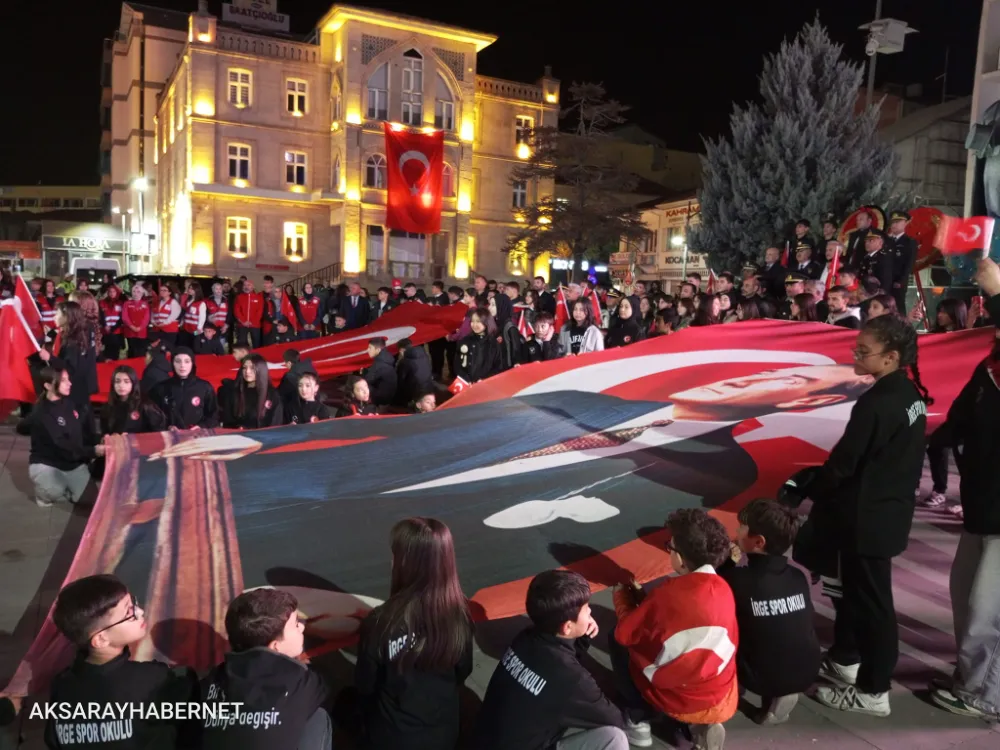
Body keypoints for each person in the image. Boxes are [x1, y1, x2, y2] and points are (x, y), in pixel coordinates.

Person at [804, 316, 931, 716]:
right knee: (862, 599)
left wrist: (809, 489)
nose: (855, 355)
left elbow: (844, 463)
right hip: (885, 512)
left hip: (868, 519)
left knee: (873, 605)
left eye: (864, 351)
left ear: (891, 357)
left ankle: (874, 690)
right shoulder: (906, 393)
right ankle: (847, 660)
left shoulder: (878, 403)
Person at [928, 259, 1000, 719]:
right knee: (964, 595)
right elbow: (955, 423)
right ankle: (970, 677)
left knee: (986, 609)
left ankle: (985, 695)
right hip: (981, 503)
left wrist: (996, 288)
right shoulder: (988, 370)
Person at [610, 509, 737, 749]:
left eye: (670, 546)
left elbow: (626, 632)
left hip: (677, 693)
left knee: (617, 640)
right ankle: (693, 727)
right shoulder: (723, 588)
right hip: (719, 688)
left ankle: (638, 718)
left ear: (680, 558)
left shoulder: (667, 594)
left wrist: (622, 599)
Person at [474, 570, 627, 750]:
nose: (590, 611)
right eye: (586, 609)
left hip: (486, 741)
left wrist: (581, 633)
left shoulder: (525, 638)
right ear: (567, 627)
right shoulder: (571, 678)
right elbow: (615, 719)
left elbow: (562, 655)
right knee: (614, 738)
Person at [355, 518, 473, 750]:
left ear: (406, 563)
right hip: (443, 733)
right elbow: (463, 670)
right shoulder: (460, 615)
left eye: (395, 554)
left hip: (392, 736)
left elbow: (365, 684)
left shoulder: (381, 622)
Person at [46, 574, 198, 749]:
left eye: (133, 603)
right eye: (129, 612)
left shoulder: (62, 685)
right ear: (101, 639)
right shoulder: (152, 679)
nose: (140, 612)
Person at [717, 499, 820, 725]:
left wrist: (726, 564)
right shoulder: (797, 576)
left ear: (758, 541)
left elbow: (716, 586)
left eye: (741, 527)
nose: (736, 531)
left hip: (760, 676)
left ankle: (713, 710)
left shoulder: (737, 580)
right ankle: (782, 692)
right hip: (809, 668)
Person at [200, 588, 332, 750]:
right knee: (317, 718)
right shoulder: (301, 682)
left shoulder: (212, 680)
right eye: (296, 625)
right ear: (275, 646)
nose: (302, 628)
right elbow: (321, 686)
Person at [24, 367, 104, 508]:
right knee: (53, 492)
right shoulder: (42, 412)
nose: (69, 383)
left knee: (90, 499)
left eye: (68, 379)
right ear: (48, 386)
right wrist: (93, 451)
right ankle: (45, 492)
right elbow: (61, 444)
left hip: (72, 463)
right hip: (49, 463)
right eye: (63, 380)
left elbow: (79, 435)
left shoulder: (68, 403)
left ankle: (67, 486)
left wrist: (101, 439)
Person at [34, 301, 98, 413]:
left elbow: (70, 368)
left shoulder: (72, 340)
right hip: (80, 388)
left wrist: (49, 358)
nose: (54, 317)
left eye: (57, 314)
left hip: (74, 391)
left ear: (66, 317)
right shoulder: (76, 333)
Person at [150, 347, 219, 430]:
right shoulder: (161, 388)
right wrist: (167, 427)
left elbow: (214, 414)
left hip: (198, 437)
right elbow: (153, 416)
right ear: (172, 363)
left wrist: (202, 426)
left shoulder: (204, 387)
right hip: (170, 437)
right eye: (178, 361)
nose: (182, 365)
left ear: (192, 363)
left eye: (187, 361)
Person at [220, 354, 283, 429]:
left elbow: (276, 424)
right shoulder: (233, 392)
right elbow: (227, 422)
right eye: (244, 368)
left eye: (252, 368)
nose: (247, 371)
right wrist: (237, 428)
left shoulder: (272, 395)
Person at [100, 365, 167, 436]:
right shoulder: (107, 407)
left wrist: (132, 439)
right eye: (117, 381)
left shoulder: (145, 405)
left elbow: (159, 432)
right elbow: (105, 433)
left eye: (126, 382)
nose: (121, 385)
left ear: (133, 384)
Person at [454, 307, 503, 383]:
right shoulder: (465, 341)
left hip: (486, 385)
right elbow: (457, 364)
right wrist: (465, 378)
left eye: (478, 321)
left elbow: (498, 367)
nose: (474, 324)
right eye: (472, 321)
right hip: (466, 385)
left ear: (486, 322)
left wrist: (484, 379)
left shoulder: (493, 344)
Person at [886, 211, 916, 314]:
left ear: (905, 223)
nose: (894, 225)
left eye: (897, 222)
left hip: (898, 282)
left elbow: (909, 264)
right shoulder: (886, 241)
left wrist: (901, 281)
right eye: (892, 222)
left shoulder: (909, 242)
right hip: (885, 280)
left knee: (898, 307)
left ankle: (902, 328)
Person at [396, 338, 434, 406]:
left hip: (415, 393)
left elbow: (400, 380)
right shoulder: (424, 355)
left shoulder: (404, 361)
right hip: (429, 386)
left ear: (401, 350)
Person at [364, 337, 398, 407]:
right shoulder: (387, 358)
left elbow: (367, 380)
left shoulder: (379, 364)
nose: (367, 350)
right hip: (390, 394)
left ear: (378, 350)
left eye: (370, 348)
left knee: (359, 386)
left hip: (382, 398)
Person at [122, 284, 151, 358]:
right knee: (132, 350)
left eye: (138, 292)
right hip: (130, 331)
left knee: (141, 351)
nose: (136, 293)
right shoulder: (127, 303)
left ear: (142, 293)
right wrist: (132, 326)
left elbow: (147, 317)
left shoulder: (145, 304)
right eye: (134, 291)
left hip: (141, 332)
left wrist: (140, 327)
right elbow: (125, 316)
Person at [234, 280, 264, 348]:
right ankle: (242, 357)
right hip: (242, 324)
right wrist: (243, 321)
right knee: (241, 344)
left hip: (255, 325)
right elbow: (237, 310)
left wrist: (252, 322)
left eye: (249, 285)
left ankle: (255, 357)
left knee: (256, 344)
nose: (246, 287)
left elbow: (260, 311)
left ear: (253, 287)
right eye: (245, 285)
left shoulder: (259, 297)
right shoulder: (239, 297)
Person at [98, 285, 125, 361]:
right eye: (110, 292)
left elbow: (122, 317)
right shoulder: (102, 303)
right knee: (106, 352)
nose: (112, 293)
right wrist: (105, 326)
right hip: (105, 331)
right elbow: (100, 316)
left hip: (117, 331)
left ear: (117, 293)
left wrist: (113, 328)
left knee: (115, 352)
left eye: (114, 291)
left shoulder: (121, 303)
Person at [151, 284, 182, 349]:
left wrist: (164, 323)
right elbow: (153, 313)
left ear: (169, 293)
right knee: (158, 348)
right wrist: (153, 321)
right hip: (158, 329)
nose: (162, 292)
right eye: (161, 290)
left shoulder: (173, 302)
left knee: (168, 348)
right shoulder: (158, 302)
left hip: (170, 330)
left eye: (165, 290)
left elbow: (174, 315)